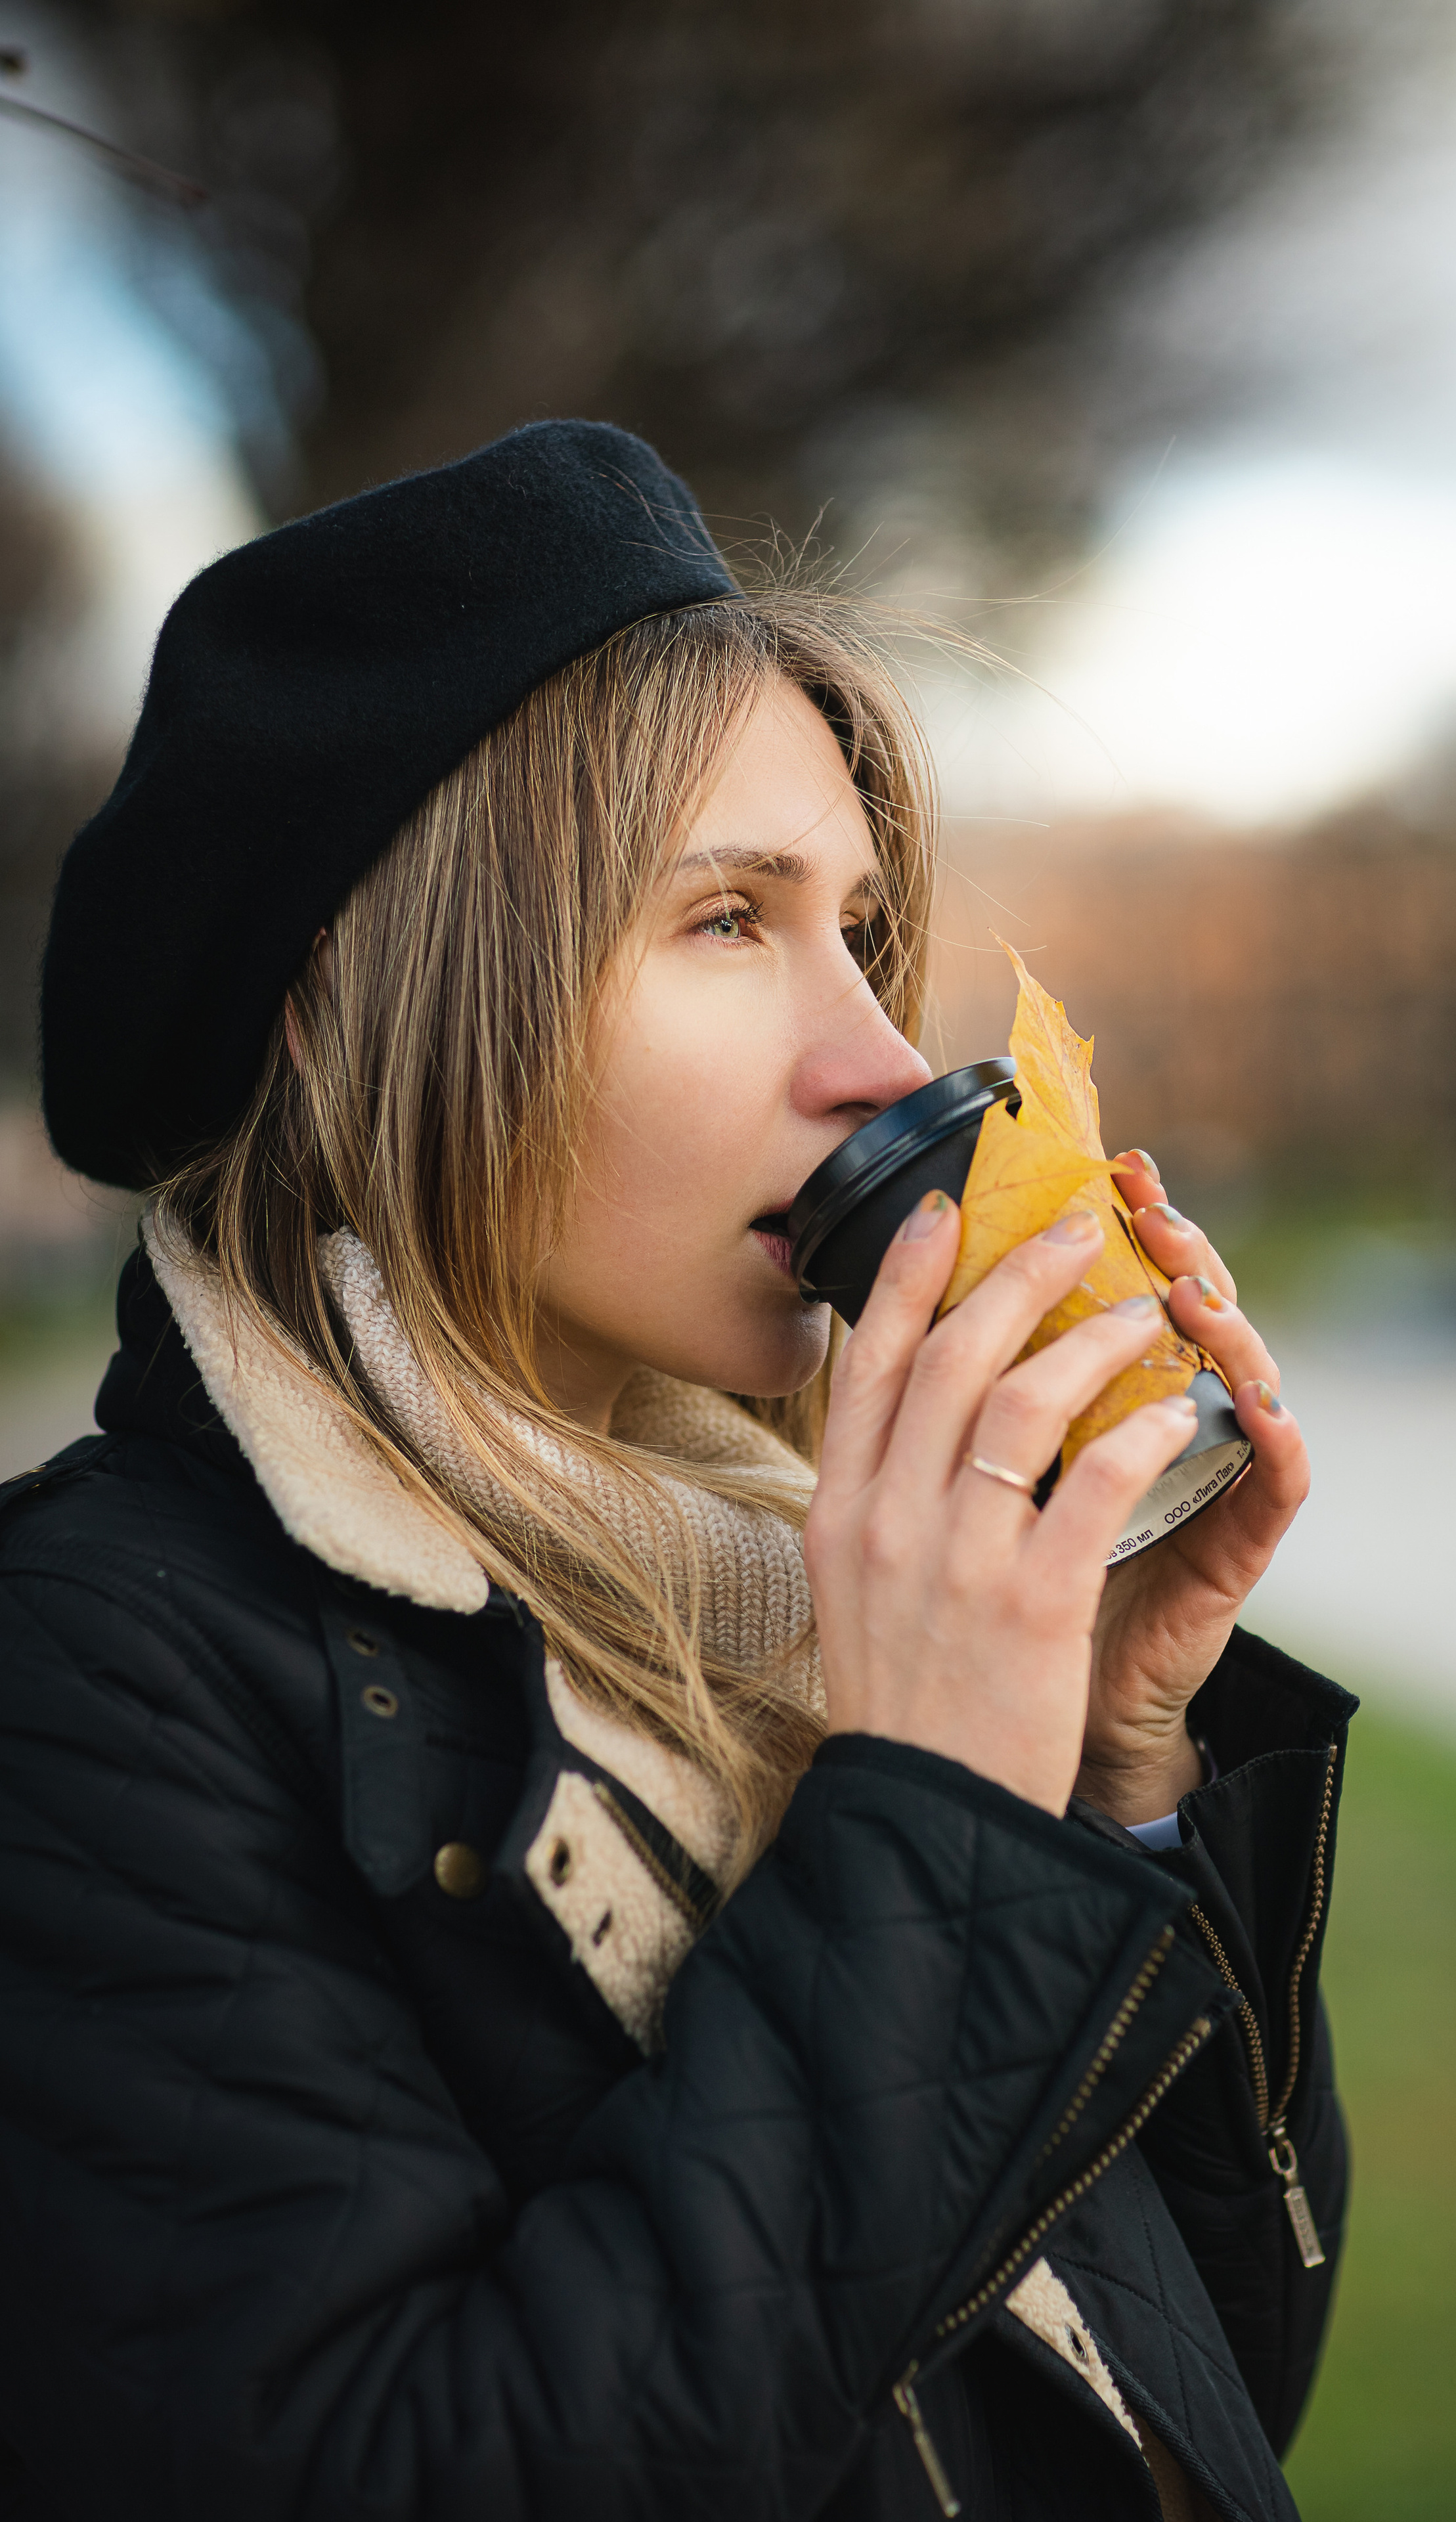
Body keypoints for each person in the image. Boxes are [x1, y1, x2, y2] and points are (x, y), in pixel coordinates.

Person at [0, 421, 1353, 2522]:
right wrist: (943, 1838)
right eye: (729, 919)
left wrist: (1109, 1760)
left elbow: (1208, 2403)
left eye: (866, 926)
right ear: (342, 1006)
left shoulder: (793, 1592)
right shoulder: (92, 1683)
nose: (890, 1064)